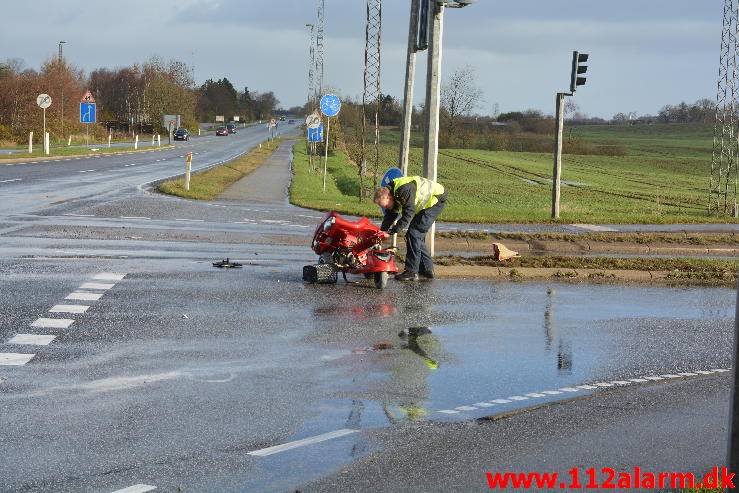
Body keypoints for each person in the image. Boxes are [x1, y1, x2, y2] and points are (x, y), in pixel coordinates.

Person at [374, 175, 447, 281]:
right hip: (427, 203)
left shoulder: (404, 190)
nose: (384, 208)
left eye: (384, 206)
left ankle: (411, 272)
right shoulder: (392, 193)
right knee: (413, 236)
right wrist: (382, 231)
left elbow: (408, 214)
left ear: (389, 197)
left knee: (414, 234)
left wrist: (392, 231)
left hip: (436, 199)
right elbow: (391, 214)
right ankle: (427, 269)